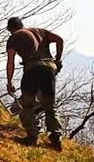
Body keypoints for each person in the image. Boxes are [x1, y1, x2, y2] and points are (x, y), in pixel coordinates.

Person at [4, 16, 65, 150]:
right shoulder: (40, 31)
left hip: (32, 69)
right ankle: (56, 138)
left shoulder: (14, 37)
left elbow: (10, 61)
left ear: (10, 29)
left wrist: (9, 81)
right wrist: (58, 60)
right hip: (49, 68)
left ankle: (32, 137)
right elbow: (60, 40)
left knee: (27, 104)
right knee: (50, 105)